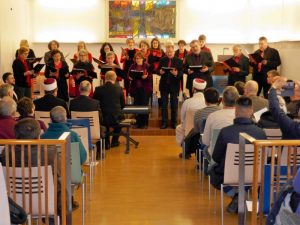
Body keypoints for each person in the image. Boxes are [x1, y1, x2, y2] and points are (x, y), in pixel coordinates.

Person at [210, 96, 266, 213]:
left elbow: (215, 157)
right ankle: (241, 193)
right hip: (255, 175)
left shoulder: (225, 132)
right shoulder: (261, 133)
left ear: (235, 112)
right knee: (247, 173)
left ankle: (236, 195)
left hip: (229, 175)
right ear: (251, 111)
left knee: (213, 170)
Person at [202, 86, 239, 155]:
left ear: (222, 101)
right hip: (237, 157)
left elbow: (205, 141)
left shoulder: (212, 116)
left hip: (216, 158)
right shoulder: (243, 118)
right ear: (237, 100)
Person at [93, 71, 125, 149]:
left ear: (105, 78)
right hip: (116, 118)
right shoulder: (119, 89)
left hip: (103, 118)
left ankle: (106, 142)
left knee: (104, 122)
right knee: (120, 120)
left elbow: (94, 103)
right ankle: (114, 141)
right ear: (115, 78)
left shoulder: (98, 89)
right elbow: (123, 105)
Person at [158, 41, 183, 129]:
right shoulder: (162, 60)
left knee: (174, 105)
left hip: (174, 85)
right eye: (167, 52)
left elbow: (181, 73)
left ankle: (174, 123)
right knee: (164, 105)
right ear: (166, 51)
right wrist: (160, 72)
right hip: (164, 85)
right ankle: (164, 123)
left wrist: (176, 73)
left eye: (171, 52)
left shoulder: (179, 61)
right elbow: (158, 70)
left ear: (173, 51)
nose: (169, 53)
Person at [175, 78, 206, 146]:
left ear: (193, 89)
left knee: (179, 128)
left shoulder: (187, 102)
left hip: (189, 131)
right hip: (204, 130)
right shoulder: (207, 102)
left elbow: (182, 119)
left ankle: (185, 150)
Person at [128, 51, 152, 128]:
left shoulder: (147, 66)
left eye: (140, 58)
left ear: (143, 58)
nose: (138, 60)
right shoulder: (132, 66)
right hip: (136, 89)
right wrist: (130, 77)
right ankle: (138, 122)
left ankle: (144, 123)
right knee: (137, 106)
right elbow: (128, 75)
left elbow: (151, 76)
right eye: (137, 58)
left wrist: (146, 77)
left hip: (145, 89)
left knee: (144, 106)